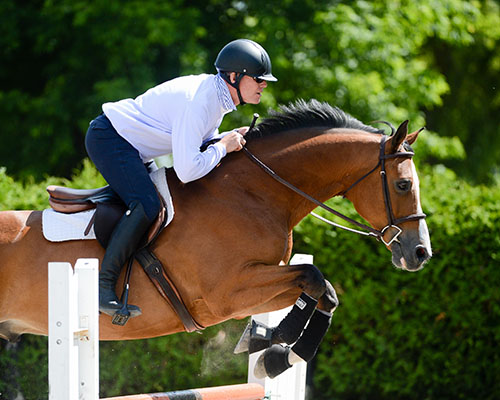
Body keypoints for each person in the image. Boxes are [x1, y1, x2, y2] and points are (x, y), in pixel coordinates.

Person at [85, 39, 277, 321]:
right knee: (147, 206)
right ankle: (102, 289)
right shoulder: (200, 101)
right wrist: (222, 147)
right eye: (259, 79)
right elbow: (187, 171)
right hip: (111, 140)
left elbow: (199, 143)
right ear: (234, 77)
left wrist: (220, 141)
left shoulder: (215, 98)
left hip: (132, 146)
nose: (264, 85)